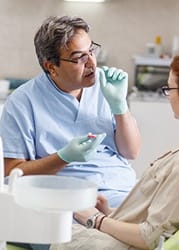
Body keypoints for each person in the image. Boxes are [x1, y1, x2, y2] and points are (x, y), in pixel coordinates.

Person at [50, 46, 179, 250]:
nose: (168, 95)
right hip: (129, 232)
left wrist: (96, 219)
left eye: (169, 89)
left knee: (57, 233)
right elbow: (164, 216)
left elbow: (150, 237)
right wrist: (110, 212)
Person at [0, 15, 141, 208]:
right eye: (79, 57)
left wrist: (120, 107)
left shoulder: (105, 84)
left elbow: (131, 151)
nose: (92, 63)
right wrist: (63, 157)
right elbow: (12, 174)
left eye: (91, 51)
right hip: (70, 199)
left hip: (123, 190)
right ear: (52, 67)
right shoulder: (22, 103)